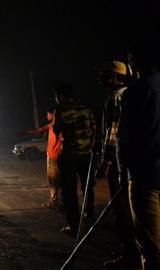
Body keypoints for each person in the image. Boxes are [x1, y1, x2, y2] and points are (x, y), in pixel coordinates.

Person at [117, 36, 160, 270]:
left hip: (145, 179)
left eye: (131, 60)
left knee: (151, 247)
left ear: (138, 62)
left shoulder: (134, 93)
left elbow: (124, 140)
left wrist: (123, 176)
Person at [96, 60, 140, 268]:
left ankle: (129, 254)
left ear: (114, 77)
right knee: (132, 208)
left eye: (105, 75)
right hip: (134, 160)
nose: (102, 79)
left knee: (120, 208)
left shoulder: (116, 97)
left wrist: (106, 160)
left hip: (119, 161)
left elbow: (113, 132)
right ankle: (131, 249)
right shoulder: (133, 94)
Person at [53, 84, 96, 234]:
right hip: (86, 153)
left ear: (61, 96)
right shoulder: (86, 107)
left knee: (69, 191)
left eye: (56, 96)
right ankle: (89, 217)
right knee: (87, 186)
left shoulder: (60, 109)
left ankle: (74, 226)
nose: (56, 99)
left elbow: (56, 130)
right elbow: (94, 128)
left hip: (69, 155)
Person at [21, 107, 62, 208]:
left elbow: (37, 131)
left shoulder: (53, 126)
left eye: (48, 114)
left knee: (52, 180)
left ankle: (54, 201)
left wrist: (25, 132)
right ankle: (60, 201)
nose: (46, 116)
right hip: (60, 156)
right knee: (59, 179)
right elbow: (38, 130)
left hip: (53, 156)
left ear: (53, 114)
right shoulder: (57, 125)